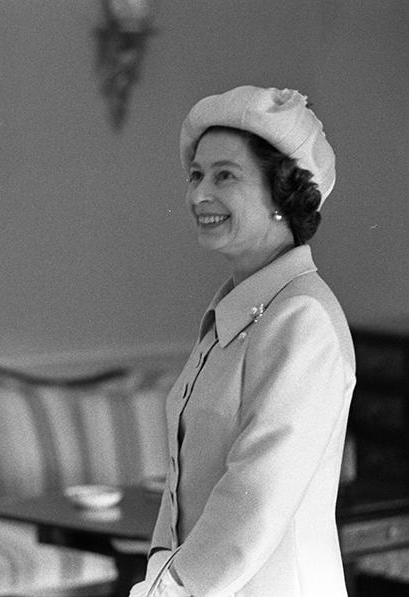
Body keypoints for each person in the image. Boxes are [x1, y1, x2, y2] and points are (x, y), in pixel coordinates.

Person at [130, 86, 354, 596]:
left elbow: (256, 496)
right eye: (195, 175)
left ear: (283, 192)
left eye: (224, 175)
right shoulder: (232, 316)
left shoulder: (302, 320)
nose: (198, 194)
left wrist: (168, 591)